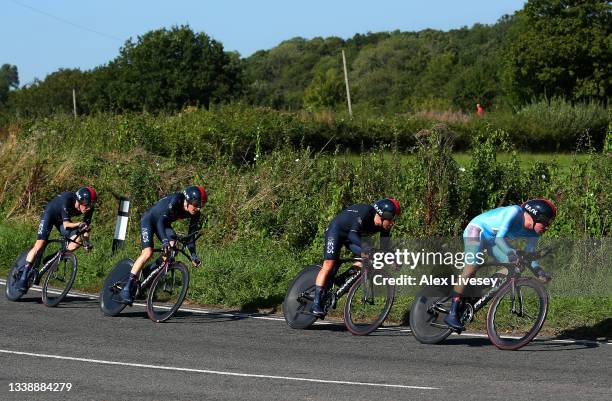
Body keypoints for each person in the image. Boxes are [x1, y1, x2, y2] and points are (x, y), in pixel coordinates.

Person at [444, 198, 556, 330]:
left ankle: (481, 288)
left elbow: (529, 255)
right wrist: (510, 252)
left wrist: (539, 272)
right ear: (535, 215)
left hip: (492, 240)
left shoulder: (534, 233)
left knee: (517, 266)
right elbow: (499, 238)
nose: (547, 226)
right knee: (471, 268)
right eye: (546, 221)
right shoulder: (514, 212)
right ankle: (452, 312)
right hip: (477, 230)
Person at [310, 197, 401, 317]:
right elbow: (353, 235)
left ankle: (342, 279)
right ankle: (315, 304)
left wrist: (392, 260)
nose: (392, 223)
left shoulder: (384, 227)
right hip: (337, 231)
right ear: (382, 215)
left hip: (351, 237)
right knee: (329, 264)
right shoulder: (365, 212)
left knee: (369, 258)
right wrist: (368, 249)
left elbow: (384, 248)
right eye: (391, 219)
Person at [118, 185, 206, 305]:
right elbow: (160, 221)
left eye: (201, 205)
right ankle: (127, 288)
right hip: (150, 219)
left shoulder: (195, 214)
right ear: (188, 200)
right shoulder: (176, 200)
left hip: (164, 223)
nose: (198, 208)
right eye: (196, 204)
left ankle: (149, 270)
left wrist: (194, 255)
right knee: (148, 252)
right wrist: (164, 240)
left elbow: (191, 237)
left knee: (173, 248)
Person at [17, 186, 97, 291]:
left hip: (61, 221)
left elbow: (85, 228)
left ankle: (52, 258)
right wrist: (79, 224)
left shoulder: (89, 209)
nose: (89, 208)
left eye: (91, 205)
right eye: (87, 205)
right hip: (49, 215)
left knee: (77, 240)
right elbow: (67, 225)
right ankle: (24, 275)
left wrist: (87, 243)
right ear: (80, 200)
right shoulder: (67, 199)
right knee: (40, 244)